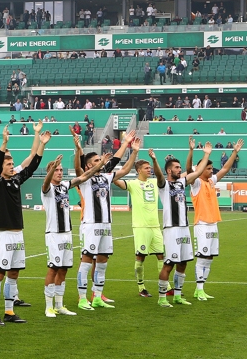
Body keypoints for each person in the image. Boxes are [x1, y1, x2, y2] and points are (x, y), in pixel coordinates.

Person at [0, 125, 49, 326]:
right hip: (3, 234)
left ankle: (9, 311)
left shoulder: (15, 180)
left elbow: (32, 166)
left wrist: (42, 145)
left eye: (13, 163)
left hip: (18, 234)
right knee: (0, 273)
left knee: (14, 273)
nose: (12, 166)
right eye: (8, 164)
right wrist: (4, 144)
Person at [73, 129, 139, 310]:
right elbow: (78, 166)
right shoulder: (84, 178)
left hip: (106, 224)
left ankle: (97, 296)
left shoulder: (106, 176)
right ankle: (81, 298)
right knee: (86, 260)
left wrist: (132, 150)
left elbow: (124, 169)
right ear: (88, 166)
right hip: (91, 224)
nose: (101, 162)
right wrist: (78, 147)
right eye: (96, 161)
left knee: (102, 262)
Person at [40, 153, 110, 317]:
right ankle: (48, 306)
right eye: (56, 170)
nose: (59, 172)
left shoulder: (65, 185)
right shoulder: (47, 189)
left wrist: (99, 166)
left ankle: (59, 305)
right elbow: (45, 183)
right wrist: (51, 169)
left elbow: (85, 175)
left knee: (64, 270)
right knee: (53, 269)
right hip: (54, 234)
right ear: (49, 172)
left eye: (61, 169)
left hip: (67, 234)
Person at [154, 143, 213, 307]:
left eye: (180, 167)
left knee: (183, 262)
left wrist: (204, 154)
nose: (180, 170)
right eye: (177, 168)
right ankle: (162, 297)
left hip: (184, 228)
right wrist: (154, 160)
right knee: (169, 264)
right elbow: (159, 175)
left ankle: (178, 296)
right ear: (169, 170)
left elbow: (198, 171)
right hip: (171, 229)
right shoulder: (164, 185)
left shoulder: (182, 183)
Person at [185, 137, 244, 300]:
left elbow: (225, 168)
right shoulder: (195, 182)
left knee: (210, 258)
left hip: (213, 223)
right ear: (201, 168)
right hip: (202, 224)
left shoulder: (211, 181)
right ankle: (198, 289)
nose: (211, 171)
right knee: (202, 256)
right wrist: (192, 151)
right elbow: (189, 170)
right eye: (208, 168)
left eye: (211, 168)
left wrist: (234, 153)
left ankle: (202, 288)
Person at [115, 148, 165, 297]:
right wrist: (109, 173)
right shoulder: (132, 184)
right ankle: (141, 287)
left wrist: (155, 160)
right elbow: (116, 181)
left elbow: (160, 175)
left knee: (161, 256)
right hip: (141, 227)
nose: (149, 170)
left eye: (150, 167)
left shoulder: (155, 182)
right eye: (146, 168)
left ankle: (166, 286)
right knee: (140, 257)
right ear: (138, 170)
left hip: (155, 226)